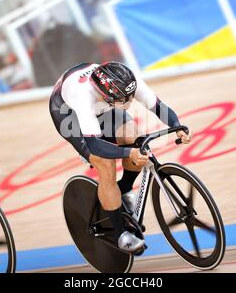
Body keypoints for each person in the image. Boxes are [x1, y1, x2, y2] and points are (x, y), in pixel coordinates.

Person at [49, 61, 192, 253]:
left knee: (135, 138)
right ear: (106, 95)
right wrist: (128, 153)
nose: (130, 102)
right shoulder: (82, 97)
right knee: (105, 164)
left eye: (130, 96)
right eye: (124, 99)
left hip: (103, 105)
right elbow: (95, 145)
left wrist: (177, 126)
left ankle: (123, 190)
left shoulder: (125, 82)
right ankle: (121, 235)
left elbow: (157, 106)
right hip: (68, 113)